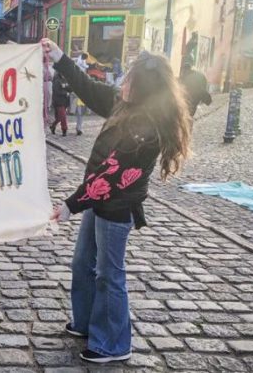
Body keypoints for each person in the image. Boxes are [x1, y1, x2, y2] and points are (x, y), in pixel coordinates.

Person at [41, 38, 192, 364]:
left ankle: (113, 343)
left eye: (130, 80)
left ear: (144, 89)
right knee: (83, 264)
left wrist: (70, 204)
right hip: (98, 204)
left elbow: (110, 176)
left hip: (117, 207)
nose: (122, 83)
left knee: (109, 274)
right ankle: (85, 324)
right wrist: (60, 58)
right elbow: (89, 88)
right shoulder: (125, 105)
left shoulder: (146, 128)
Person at [51, 71, 71, 136]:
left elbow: (68, 88)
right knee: (63, 116)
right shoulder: (57, 80)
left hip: (65, 101)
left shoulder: (65, 79)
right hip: (58, 101)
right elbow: (57, 91)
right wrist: (66, 93)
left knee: (60, 117)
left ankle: (53, 126)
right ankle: (64, 129)